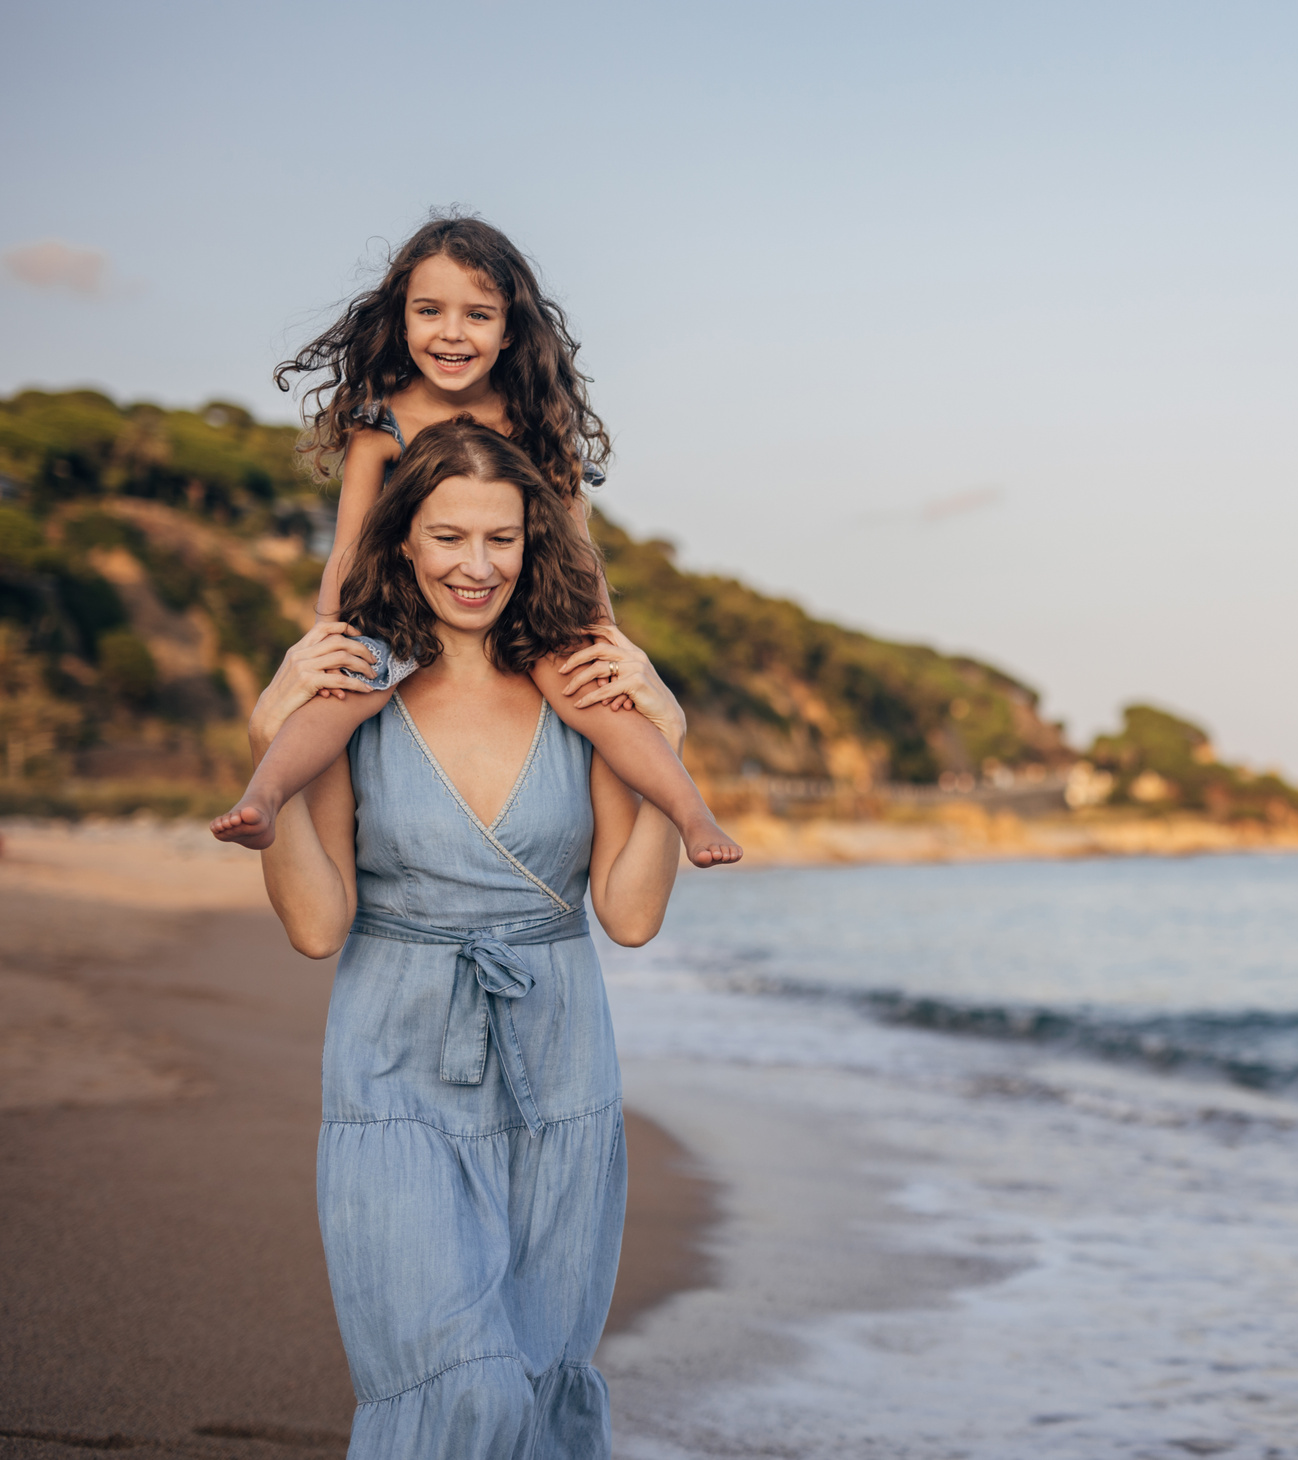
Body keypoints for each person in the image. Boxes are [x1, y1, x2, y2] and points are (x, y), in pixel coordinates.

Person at [253, 415, 690, 1457]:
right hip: (394, 1067)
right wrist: (269, 739)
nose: (477, 564)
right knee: (470, 1386)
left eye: (502, 538)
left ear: (533, 544)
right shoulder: (351, 693)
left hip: (558, 1075)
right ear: (402, 537)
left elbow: (628, 913)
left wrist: (668, 747)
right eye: (450, 536)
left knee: (535, 1385)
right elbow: (316, 923)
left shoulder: (579, 692)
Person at [210, 213, 737, 868]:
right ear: (401, 319)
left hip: (525, 604)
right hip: (397, 608)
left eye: (478, 315)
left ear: (511, 329)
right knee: (340, 697)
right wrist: (328, 631)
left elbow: (577, 546)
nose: (452, 333)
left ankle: (693, 815)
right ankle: (264, 798)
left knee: (596, 701)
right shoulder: (382, 421)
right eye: (430, 311)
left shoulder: (536, 419)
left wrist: (605, 637)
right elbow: (347, 545)